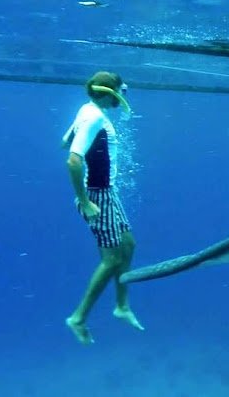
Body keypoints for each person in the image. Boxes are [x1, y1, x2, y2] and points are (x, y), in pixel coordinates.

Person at [62, 71, 143, 344]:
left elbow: (65, 142)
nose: (124, 97)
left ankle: (122, 306)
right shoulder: (94, 117)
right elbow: (73, 160)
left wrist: (78, 134)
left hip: (106, 194)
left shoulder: (87, 111)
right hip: (98, 197)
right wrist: (85, 201)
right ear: (111, 93)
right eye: (122, 91)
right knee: (111, 260)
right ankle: (79, 317)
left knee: (128, 244)